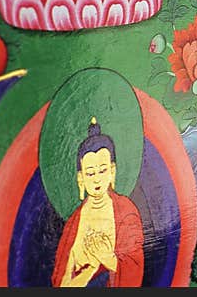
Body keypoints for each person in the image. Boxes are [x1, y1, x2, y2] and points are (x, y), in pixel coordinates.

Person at [52, 118, 144, 287]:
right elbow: (61, 278)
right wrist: (87, 272)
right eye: (90, 173)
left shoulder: (125, 211)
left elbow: (134, 268)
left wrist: (107, 258)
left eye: (102, 171)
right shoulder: (75, 221)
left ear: (112, 171)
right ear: (81, 179)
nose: (97, 180)